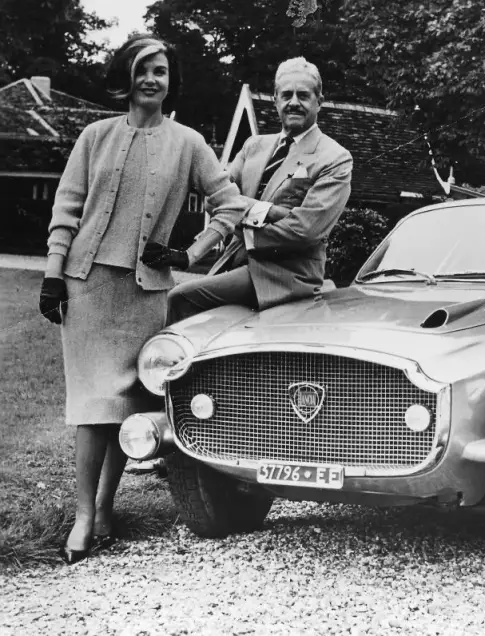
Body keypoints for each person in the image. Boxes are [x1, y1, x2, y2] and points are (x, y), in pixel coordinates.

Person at [38, 34, 250, 564]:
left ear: (170, 80)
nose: (151, 79)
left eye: (160, 70)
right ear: (126, 76)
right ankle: (85, 516)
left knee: (126, 405)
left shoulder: (189, 143)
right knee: (93, 408)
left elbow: (231, 205)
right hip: (87, 290)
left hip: (144, 293)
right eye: (142, 69)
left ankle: (107, 510)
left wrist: (187, 250)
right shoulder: (95, 136)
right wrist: (52, 276)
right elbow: (66, 210)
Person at [164, 56, 353, 323]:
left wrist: (244, 212)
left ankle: (165, 365)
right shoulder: (254, 146)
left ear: (319, 101)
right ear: (275, 100)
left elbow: (306, 229)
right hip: (235, 261)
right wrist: (274, 211)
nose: (294, 103)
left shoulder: (334, 157)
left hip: (286, 275)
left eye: (304, 95)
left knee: (181, 297)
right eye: (286, 95)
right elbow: (213, 198)